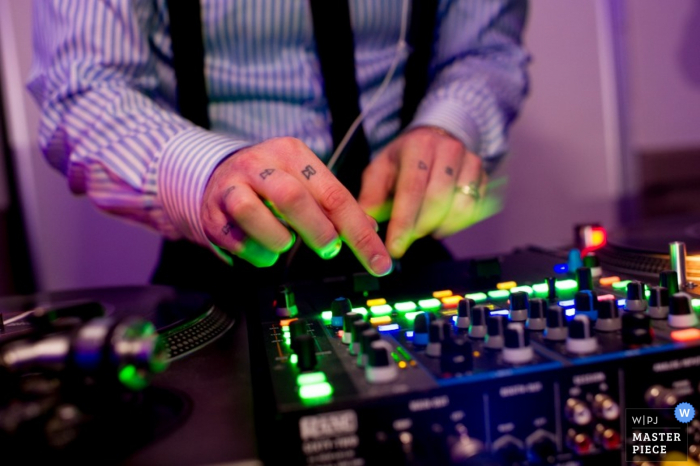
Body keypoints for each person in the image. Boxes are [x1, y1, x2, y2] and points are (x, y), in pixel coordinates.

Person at [27, 0, 529, 298]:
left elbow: (487, 51)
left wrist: (449, 125)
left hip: (404, 253)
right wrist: (206, 172)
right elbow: (82, 87)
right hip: (213, 274)